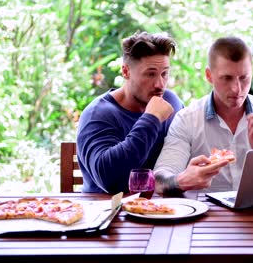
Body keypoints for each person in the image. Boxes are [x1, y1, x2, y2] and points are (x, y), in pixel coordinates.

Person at [154, 36, 253, 194]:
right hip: (205, 215)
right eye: (227, 78)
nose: (236, 89)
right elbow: (159, 181)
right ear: (209, 75)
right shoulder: (187, 119)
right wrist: (182, 180)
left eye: (244, 78)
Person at [77, 32, 183, 194]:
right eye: (150, 74)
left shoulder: (171, 102)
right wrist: (151, 119)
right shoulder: (98, 114)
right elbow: (110, 180)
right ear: (126, 71)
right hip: (107, 211)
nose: (160, 84)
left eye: (164, 73)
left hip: (162, 209)